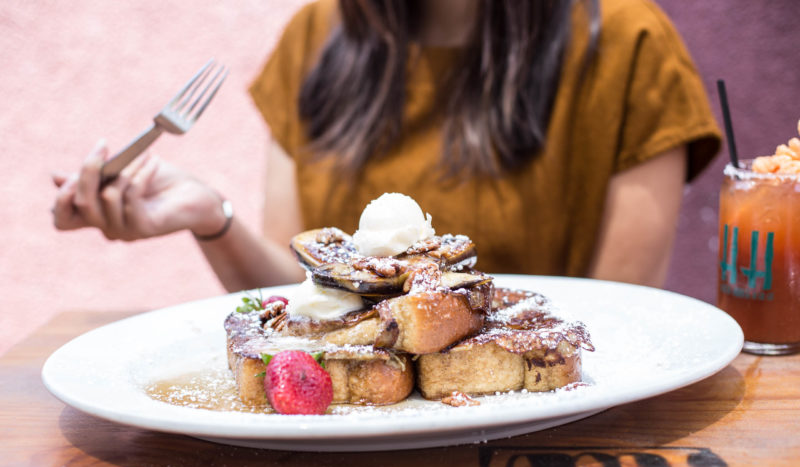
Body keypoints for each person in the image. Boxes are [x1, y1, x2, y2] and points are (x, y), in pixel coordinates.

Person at [52, 0, 721, 292]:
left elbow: (619, 315)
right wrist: (211, 218)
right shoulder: (317, 37)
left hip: (537, 452)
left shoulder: (629, 41)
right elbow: (305, 293)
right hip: (346, 454)